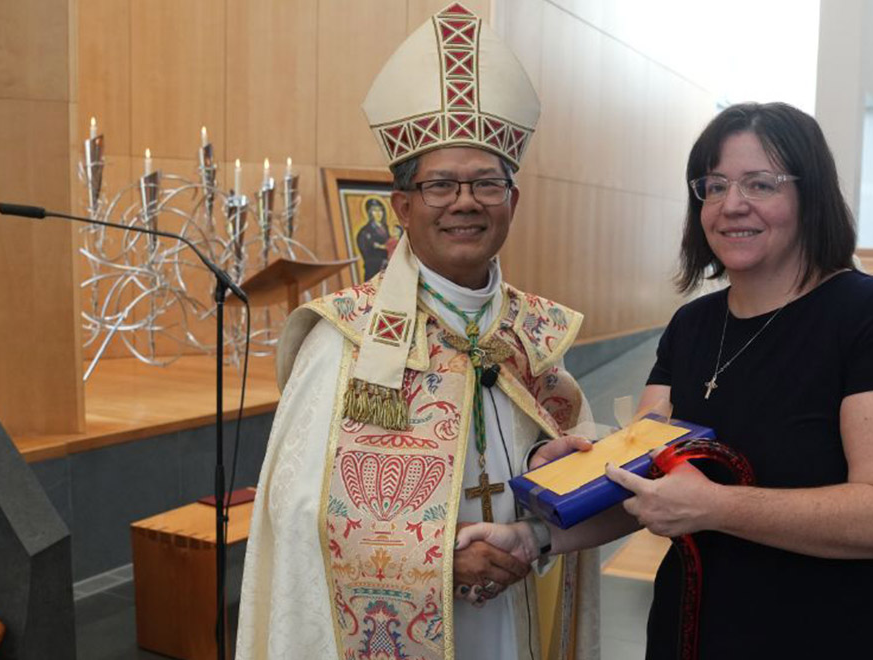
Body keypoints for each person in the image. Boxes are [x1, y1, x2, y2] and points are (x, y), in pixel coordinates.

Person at [457, 102, 873, 658]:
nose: (731, 206)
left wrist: (717, 507)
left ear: (810, 195)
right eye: (714, 186)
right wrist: (534, 535)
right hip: (698, 628)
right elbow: (642, 481)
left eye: (760, 184)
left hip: (842, 630)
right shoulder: (693, 325)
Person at [235, 6, 600, 659]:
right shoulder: (344, 339)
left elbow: (577, 471)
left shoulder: (532, 337)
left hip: (513, 611)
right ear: (402, 206)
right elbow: (294, 514)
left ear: (512, 202)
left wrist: (558, 483)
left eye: (487, 182)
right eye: (440, 185)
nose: (465, 202)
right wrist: (434, 564)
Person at [355, 196, 391, 280]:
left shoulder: (389, 229)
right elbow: (367, 257)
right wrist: (383, 262)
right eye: (375, 210)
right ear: (369, 213)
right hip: (374, 275)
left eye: (380, 210)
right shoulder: (364, 233)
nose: (378, 213)